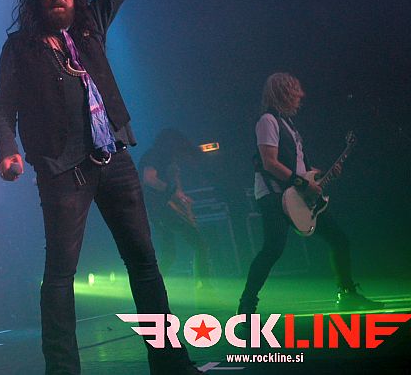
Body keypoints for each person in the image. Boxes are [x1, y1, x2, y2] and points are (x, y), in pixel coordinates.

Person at [0, 0, 198, 375]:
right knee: (60, 276)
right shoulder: (20, 48)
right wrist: (7, 149)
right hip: (64, 170)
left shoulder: (90, 29)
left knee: (144, 263)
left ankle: (169, 363)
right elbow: (2, 105)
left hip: (115, 160)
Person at [238, 72, 381, 316]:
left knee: (338, 239)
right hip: (274, 195)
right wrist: (303, 184)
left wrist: (320, 174)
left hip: (297, 194)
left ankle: (347, 294)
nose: (300, 96)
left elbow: (298, 166)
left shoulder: (288, 125)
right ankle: (246, 309)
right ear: (283, 93)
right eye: (295, 92)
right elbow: (269, 163)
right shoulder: (267, 121)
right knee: (273, 249)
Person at [140, 129, 211, 287]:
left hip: (162, 209)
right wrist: (174, 194)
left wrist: (184, 205)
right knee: (198, 245)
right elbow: (149, 179)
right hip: (159, 209)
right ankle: (204, 287)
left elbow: (176, 190)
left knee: (169, 254)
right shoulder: (154, 155)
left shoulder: (169, 161)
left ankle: (151, 288)